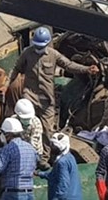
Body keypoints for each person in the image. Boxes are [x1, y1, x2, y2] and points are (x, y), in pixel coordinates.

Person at [9, 27, 99, 168]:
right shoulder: (27, 53)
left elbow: (69, 65)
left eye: (41, 45)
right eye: (36, 45)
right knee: (25, 127)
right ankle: (25, 156)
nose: (38, 48)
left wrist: (86, 69)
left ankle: (43, 159)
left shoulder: (53, 55)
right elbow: (16, 68)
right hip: (30, 96)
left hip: (47, 99)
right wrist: (8, 84)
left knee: (47, 129)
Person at [36, 132, 82, 200]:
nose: (51, 147)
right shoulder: (69, 157)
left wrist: (56, 198)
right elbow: (55, 175)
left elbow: (63, 184)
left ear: (60, 146)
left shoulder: (62, 162)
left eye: (53, 145)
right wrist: (39, 174)